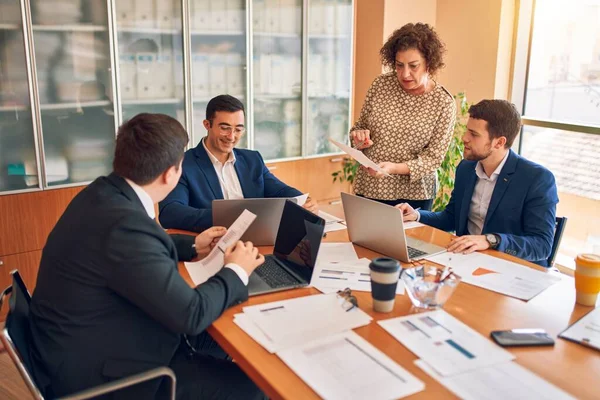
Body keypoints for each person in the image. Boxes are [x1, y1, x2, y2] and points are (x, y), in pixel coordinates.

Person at [28, 113, 266, 399]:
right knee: (255, 385)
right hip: (107, 374)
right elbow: (191, 314)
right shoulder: (123, 224)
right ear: (170, 173)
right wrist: (236, 270)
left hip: (78, 342)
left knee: (225, 339)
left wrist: (192, 246)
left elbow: (131, 248)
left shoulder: (102, 193)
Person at [397, 100, 559, 267]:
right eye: (467, 130)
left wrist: (490, 240)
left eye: (474, 134)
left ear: (499, 142)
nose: (464, 138)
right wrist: (417, 215)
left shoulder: (537, 178)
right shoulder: (466, 168)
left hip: (510, 269)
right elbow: (451, 217)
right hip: (466, 262)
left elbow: (542, 245)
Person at [159, 95, 317, 232]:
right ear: (207, 125)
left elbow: (280, 190)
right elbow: (170, 213)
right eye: (225, 128)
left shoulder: (252, 160)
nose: (231, 136)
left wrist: (302, 201)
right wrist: (228, 217)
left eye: (238, 129)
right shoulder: (184, 164)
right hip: (213, 243)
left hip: (256, 241)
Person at [350, 22, 456, 211]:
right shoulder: (381, 85)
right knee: (363, 240)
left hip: (413, 196)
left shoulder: (443, 102)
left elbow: (433, 159)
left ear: (429, 65)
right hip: (370, 187)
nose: (405, 74)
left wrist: (392, 169)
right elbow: (359, 127)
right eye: (399, 66)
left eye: (413, 66)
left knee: (408, 242)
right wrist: (359, 138)